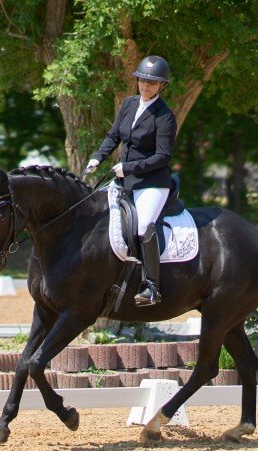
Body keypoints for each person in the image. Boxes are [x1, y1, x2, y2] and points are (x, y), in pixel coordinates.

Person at [86, 55, 177, 307]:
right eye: (142, 81)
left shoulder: (164, 116)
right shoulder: (129, 104)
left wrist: (128, 167)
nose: (145, 86)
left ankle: (151, 286)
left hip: (152, 182)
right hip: (123, 178)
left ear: (162, 86)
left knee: (143, 226)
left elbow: (163, 156)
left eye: (151, 83)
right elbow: (114, 135)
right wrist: (97, 157)